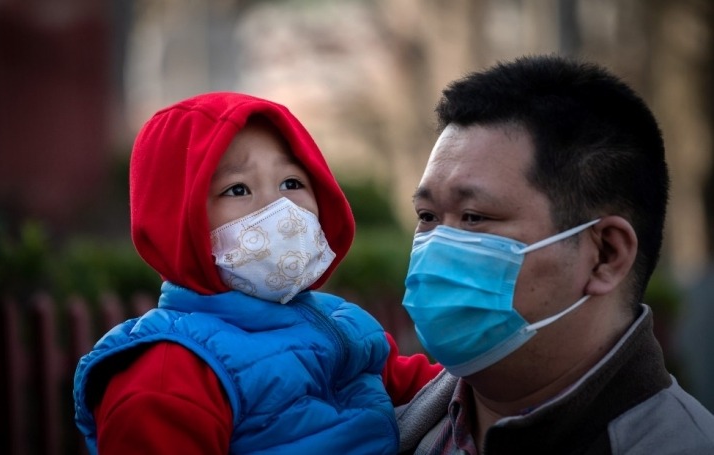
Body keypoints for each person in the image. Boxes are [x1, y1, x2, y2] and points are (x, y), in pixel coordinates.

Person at [73, 92, 441, 454]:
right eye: (237, 189)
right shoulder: (168, 374)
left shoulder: (342, 322)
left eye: (292, 183)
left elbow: (436, 392)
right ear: (176, 223)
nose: (279, 206)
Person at [396, 54, 714, 454]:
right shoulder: (381, 431)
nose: (437, 249)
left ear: (606, 255)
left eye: (474, 217)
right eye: (427, 216)